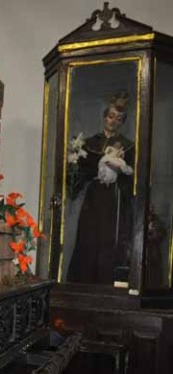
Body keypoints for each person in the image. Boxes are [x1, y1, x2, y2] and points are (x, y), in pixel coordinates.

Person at [67, 92, 135, 284]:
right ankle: (84, 283)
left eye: (118, 119)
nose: (113, 121)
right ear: (105, 117)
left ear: (122, 122)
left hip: (114, 199)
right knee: (89, 238)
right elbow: (79, 174)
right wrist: (78, 168)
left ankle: (107, 284)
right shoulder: (89, 143)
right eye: (111, 116)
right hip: (94, 198)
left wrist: (119, 173)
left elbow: (132, 177)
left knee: (110, 239)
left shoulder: (128, 146)